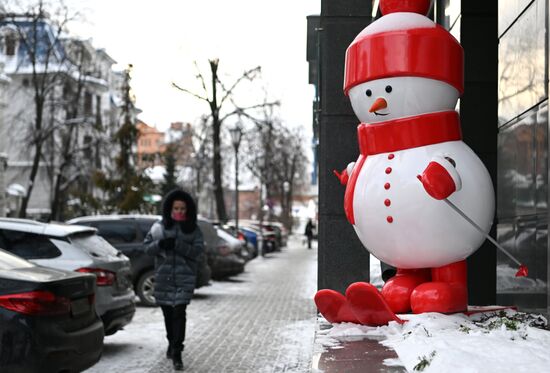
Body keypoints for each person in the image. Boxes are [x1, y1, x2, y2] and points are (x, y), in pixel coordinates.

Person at [144, 188, 204, 371]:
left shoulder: (194, 229)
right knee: (168, 315)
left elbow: (197, 253)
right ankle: (171, 342)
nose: (179, 211)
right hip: (164, 278)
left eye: (182, 208)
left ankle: (177, 352)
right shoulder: (159, 227)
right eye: (176, 208)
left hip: (184, 279)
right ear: (170, 209)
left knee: (179, 313)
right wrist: (160, 244)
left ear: (188, 210)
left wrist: (178, 245)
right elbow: (147, 248)